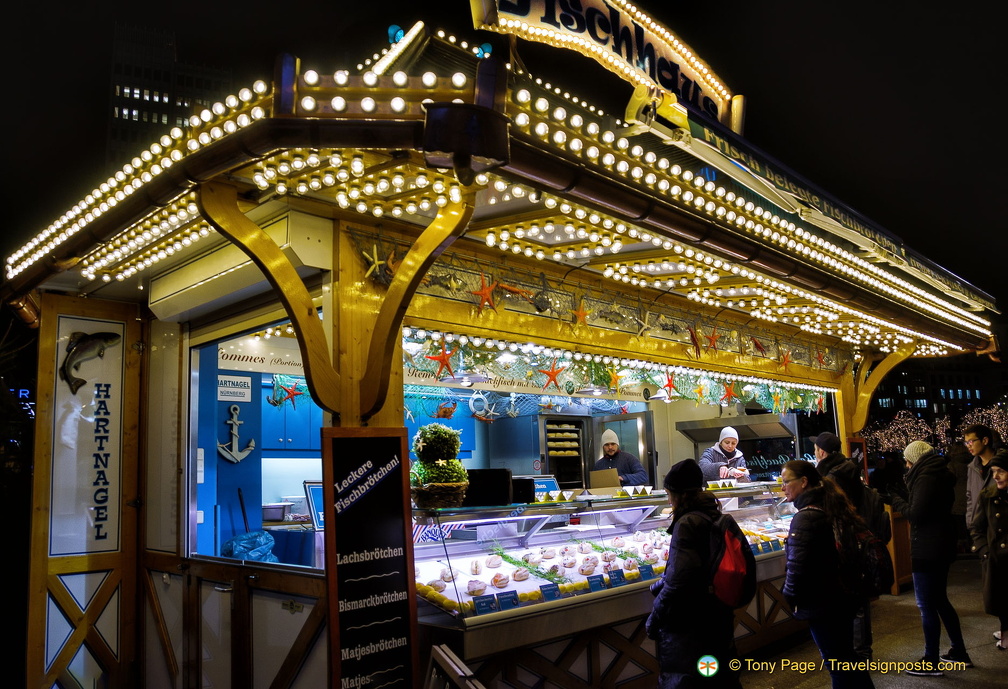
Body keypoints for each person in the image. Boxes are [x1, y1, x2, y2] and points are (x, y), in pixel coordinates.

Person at [646, 459, 742, 689]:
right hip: (717, 612)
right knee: (719, 675)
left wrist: (654, 618)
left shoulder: (687, 522)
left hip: (691, 623)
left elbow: (680, 579)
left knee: (690, 679)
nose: (669, 500)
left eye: (669, 494)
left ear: (679, 494)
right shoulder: (714, 513)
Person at [779, 459, 875, 689]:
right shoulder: (829, 504)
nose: (782, 488)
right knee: (847, 658)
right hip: (842, 596)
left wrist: (789, 597)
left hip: (822, 601)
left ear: (803, 482)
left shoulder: (805, 517)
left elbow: (797, 567)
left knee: (838, 665)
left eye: (786, 482)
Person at [885, 440, 972, 674]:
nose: (905, 464)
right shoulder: (938, 473)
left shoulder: (926, 477)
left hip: (927, 547)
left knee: (926, 605)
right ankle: (959, 651)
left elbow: (916, 514)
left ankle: (930, 660)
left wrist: (894, 499)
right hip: (940, 544)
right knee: (940, 600)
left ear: (915, 459)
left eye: (907, 460)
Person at [813, 431, 889, 660]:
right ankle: (861, 650)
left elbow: (835, 512)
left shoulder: (832, 477)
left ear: (821, 452)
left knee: (853, 597)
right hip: (857, 538)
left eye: (816, 449)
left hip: (846, 542)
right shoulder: (848, 469)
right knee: (858, 598)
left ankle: (858, 653)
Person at [969, 449, 1008, 650]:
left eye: (1001, 471)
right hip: (997, 559)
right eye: (993, 471)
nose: (996, 476)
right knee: (1001, 600)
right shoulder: (988, 495)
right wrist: (984, 551)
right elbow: (977, 527)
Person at [964, 424, 998, 531]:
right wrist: (970, 521)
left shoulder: (1001, 464)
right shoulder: (972, 467)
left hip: (998, 525)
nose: (968, 446)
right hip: (979, 527)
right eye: (966, 443)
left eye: (971, 442)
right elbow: (970, 496)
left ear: (985, 441)